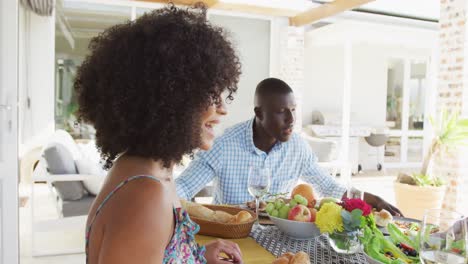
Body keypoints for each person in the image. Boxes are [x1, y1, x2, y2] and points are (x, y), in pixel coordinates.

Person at [76, 5, 243, 264]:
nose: (223, 109)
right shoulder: (145, 195)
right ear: (172, 99)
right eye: (209, 94)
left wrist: (197, 257)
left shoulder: (148, 170)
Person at [176, 77, 402, 216]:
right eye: (281, 112)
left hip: (279, 237)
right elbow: (184, 187)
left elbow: (329, 186)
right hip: (233, 238)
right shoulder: (224, 145)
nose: (291, 119)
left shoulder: (297, 146)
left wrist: (370, 198)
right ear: (259, 113)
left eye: (293, 110)